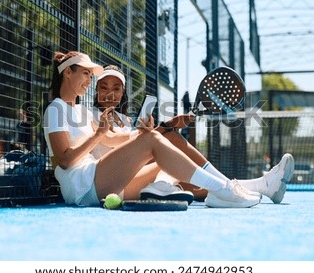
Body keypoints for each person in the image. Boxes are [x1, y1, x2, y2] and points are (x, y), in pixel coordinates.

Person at [43, 50, 262, 208]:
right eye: (85, 74)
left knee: (162, 155)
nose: (89, 80)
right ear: (68, 73)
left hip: (102, 183)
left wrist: (144, 132)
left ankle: (218, 189)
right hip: (81, 186)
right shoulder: (55, 109)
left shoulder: (81, 111)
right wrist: (99, 135)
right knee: (154, 142)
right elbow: (64, 159)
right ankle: (223, 189)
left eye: (91, 76)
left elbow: (112, 140)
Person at [91, 64, 295, 204]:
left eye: (116, 88)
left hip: (137, 175)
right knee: (169, 140)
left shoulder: (125, 120)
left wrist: (170, 124)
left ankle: (263, 185)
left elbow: (141, 145)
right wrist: (161, 130)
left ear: (123, 92)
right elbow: (119, 147)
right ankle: (253, 186)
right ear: (96, 90)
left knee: (198, 184)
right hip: (117, 182)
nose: (110, 93)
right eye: (104, 87)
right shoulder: (89, 115)